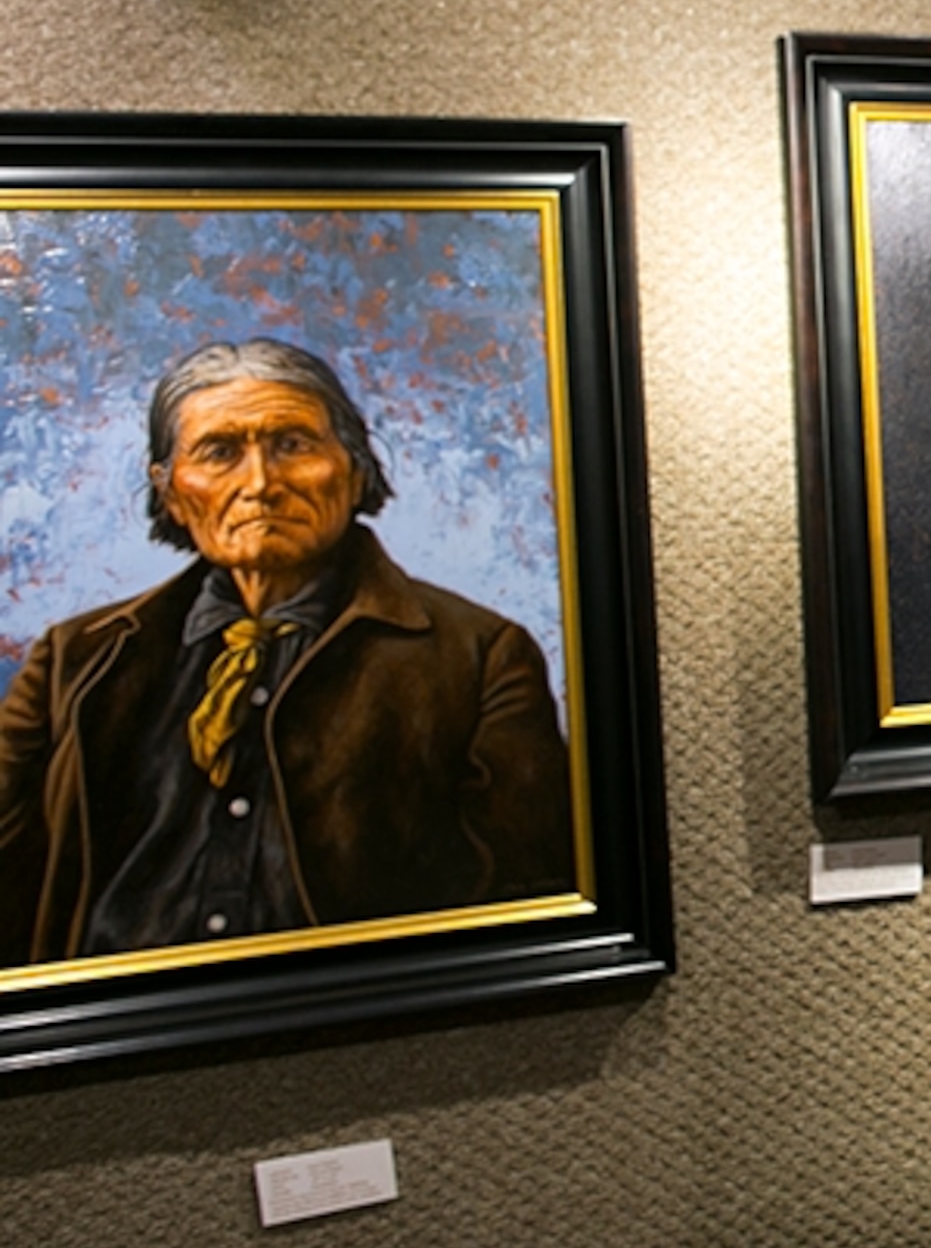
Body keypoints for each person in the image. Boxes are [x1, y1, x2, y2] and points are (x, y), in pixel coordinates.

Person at [0, 338, 574, 968]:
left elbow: (529, 896)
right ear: (169, 490)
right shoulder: (76, 660)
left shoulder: (480, 657)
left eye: (293, 445)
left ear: (355, 469)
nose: (260, 484)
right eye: (219, 453)